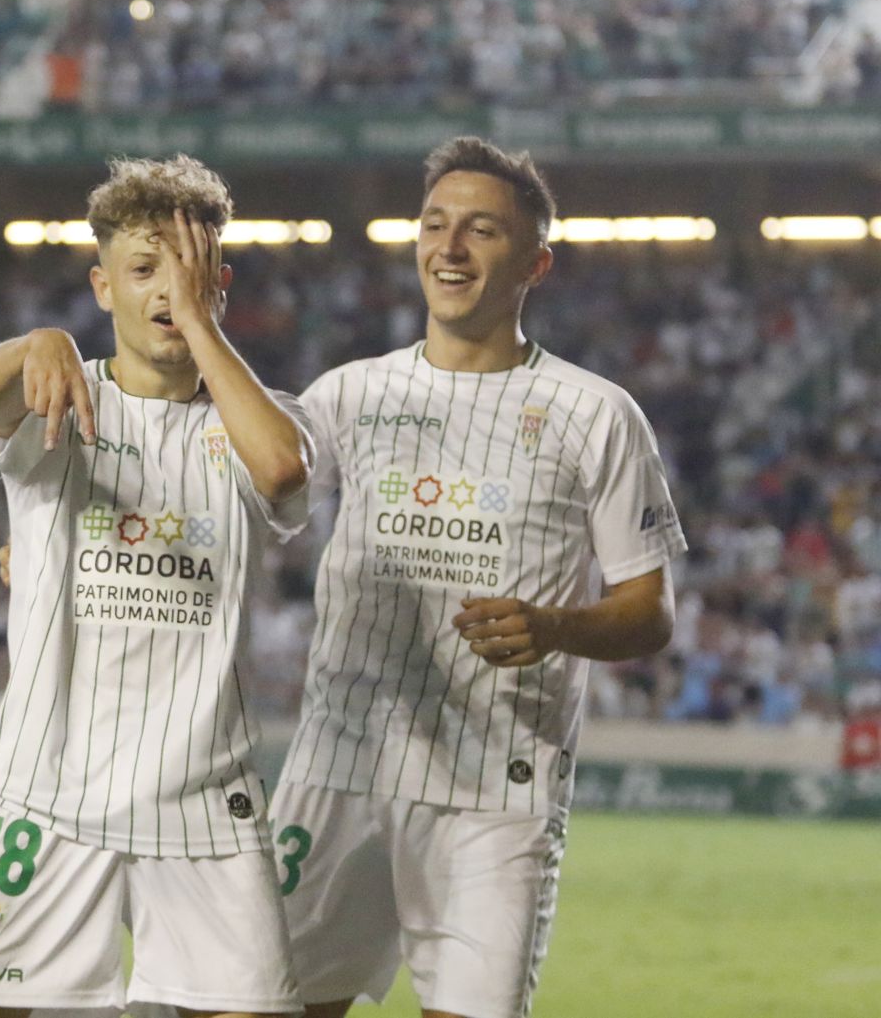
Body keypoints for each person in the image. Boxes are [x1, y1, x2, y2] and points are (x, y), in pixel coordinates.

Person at [270, 137, 688, 1018]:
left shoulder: (596, 414)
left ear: (535, 262)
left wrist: (557, 627)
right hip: (339, 771)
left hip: (496, 796)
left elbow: (649, 613)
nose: (449, 247)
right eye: (435, 224)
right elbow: (227, 499)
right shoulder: (346, 396)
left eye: (482, 231)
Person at [0, 155, 316, 1018]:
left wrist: (200, 325)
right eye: (142, 269)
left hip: (203, 800)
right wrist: (32, 344)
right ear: (103, 287)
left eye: (185, 268)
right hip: (43, 790)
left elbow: (282, 473)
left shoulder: (256, 417)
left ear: (220, 283)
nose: (165, 289)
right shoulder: (57, 393)